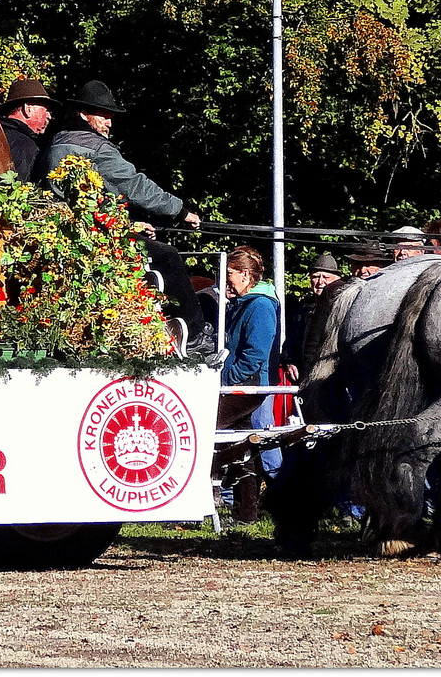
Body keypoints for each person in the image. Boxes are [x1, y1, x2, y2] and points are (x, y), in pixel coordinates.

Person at [35, 80, 202, 326]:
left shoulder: (56, 142)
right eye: (103, 115)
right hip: (93, 240)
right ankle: (196, 331)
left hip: (65, 235)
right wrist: (180, 212)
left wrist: (131, 224)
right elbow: (134, 186)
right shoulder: (95, 147)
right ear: (84, 114)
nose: (109, 123)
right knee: (167, 255)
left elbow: (90, 201)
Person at [217, 245, 280, 522]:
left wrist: (225, 380)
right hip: (238, 384)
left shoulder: (260, 307)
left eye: (229, 273)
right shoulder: (242, 305)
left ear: (244, 274)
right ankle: (245, 512)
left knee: (212, 428)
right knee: (243, 443)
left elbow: (255, 354)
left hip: (247, 386)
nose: (224, 280)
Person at [0, 78, 59, 179]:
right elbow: (19, 187)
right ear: (27, 109)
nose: (49, 116)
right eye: (45, 110)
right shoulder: (23, 144)